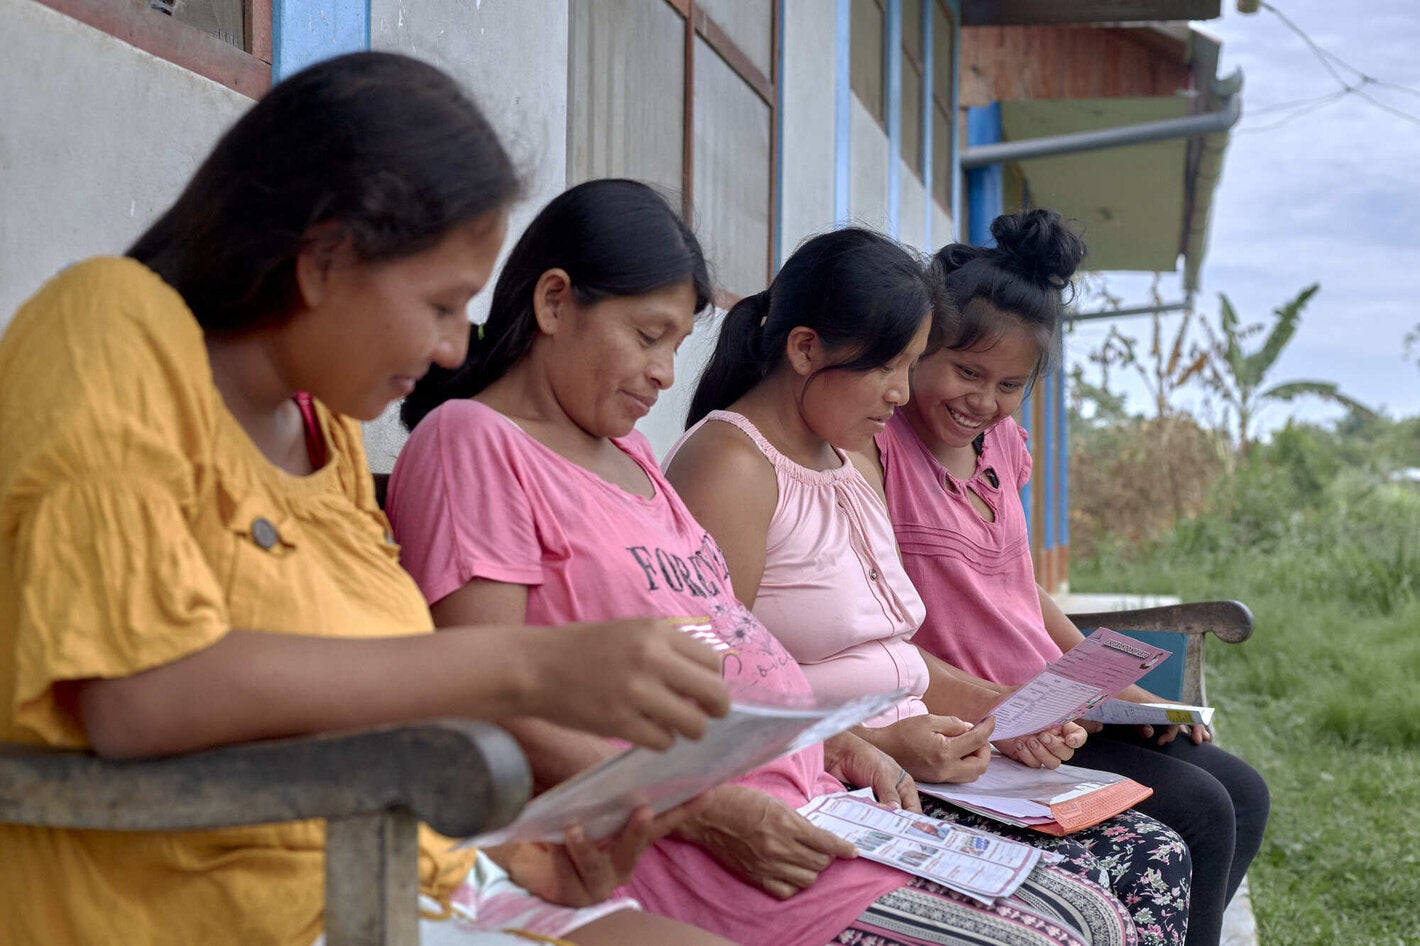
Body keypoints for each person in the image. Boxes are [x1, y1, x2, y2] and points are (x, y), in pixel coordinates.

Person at [0, 52, 737, 946]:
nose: (452, 349)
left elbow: (343, 706)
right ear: (325, 258)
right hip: (211, 910)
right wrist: (536, 667)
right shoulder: (112, 327)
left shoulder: (323, 428)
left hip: (391, 875)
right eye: (439, 304)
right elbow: (139, 695)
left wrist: (510, 853)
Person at [389, 179, 1140, 946]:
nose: (663, 373)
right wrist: (706, 811)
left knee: (1097, 916)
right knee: (1059, 938)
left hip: (813, 798)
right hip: (690, 839)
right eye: (648, 337)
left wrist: (843, 745)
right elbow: (485, 700)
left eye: (676, 347)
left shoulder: (635, 462)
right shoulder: (475, 444)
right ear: (554, 305)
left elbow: (731, 642)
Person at [664, 227, 1192, 946]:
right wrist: (872, 742)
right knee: (1100, 899)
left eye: (911, 365)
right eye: (892, 366)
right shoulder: (730, 464)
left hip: (923, 756)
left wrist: (1001, 720)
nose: (901, 393)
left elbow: (896, 656)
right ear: (805, 350)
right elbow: (714, 686)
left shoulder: (845, 456)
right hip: (843, 778)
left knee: (1156, 856)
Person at [866, 208, 1270, 946]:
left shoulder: (1003, 446)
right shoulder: (880, 449)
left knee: (1242, 789)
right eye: (965, 371)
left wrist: (1119, 691)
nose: (982, 402)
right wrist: (1021, 707)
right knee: (1201, 809)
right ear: (919, 348)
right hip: (984, 723)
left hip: (1057, 709)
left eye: (1010, 384)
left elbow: (1020, 590)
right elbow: (871, 630)